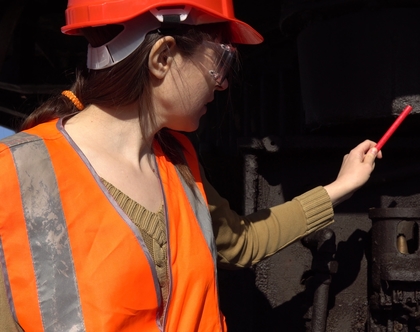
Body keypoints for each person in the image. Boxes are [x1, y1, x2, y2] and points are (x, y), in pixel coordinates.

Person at [0, 0, 381, 331]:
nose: (222, 85)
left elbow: (241, 242)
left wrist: (339, 187)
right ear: (162, 57)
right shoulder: (15, 172)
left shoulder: (179, 161)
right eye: (221, 61)